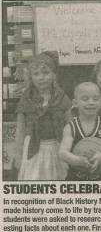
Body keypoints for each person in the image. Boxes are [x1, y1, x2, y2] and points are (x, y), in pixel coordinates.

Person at [14, 52, 71, 180]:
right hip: (33, 149)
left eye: (45, 73)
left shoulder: (62, 98)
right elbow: (20, 130)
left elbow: (70, 127)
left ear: (53, 75)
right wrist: (18, 154)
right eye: (36, 74)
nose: (41, 78)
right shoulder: (26, 99)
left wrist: (69, 150)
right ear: (31, 77)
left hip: (57, 147)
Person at [59, 82, 101, 181]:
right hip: (76, 178)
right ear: (75, 103)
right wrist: (78, 160)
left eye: (95, 99)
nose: (91, 102)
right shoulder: (70, 127)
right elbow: (62, 153)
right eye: (85, 99)